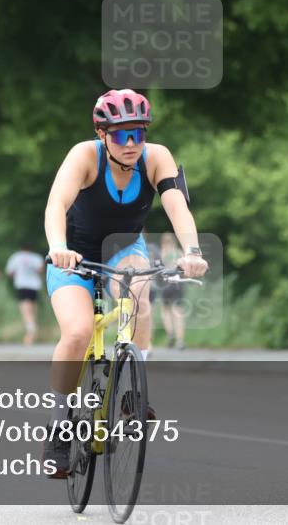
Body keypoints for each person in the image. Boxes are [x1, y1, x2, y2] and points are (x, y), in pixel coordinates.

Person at [42, 88, 208, 477]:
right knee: (78, 332)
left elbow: (177, 207)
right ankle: (59, 427)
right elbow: (56, 204)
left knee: (139, 297)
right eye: (120, 134)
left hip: (124, 248)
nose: (131, 143)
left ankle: (133, 392)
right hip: (75, 253)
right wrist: (58, 248)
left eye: (138, 133)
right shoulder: (84, 156)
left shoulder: (157, 157)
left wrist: (193, 251)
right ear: (102, 134)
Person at [5, 244, 45, 345]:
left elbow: (9, 272)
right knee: (32, 309)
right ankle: (31, 333)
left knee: (25, 309)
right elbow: (41, 270)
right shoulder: (36, 257)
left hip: (22, 285)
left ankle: (31, 327)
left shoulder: (16, 257)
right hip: (34, 285)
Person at [159, 232, 187, 350]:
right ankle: (180, 340)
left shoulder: (162, 252)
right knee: (178, 312)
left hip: (166, 284)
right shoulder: (179, 252)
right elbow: (185, 270)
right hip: (178, 284)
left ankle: (170, 333)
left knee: (166, 311)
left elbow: (158, 269)